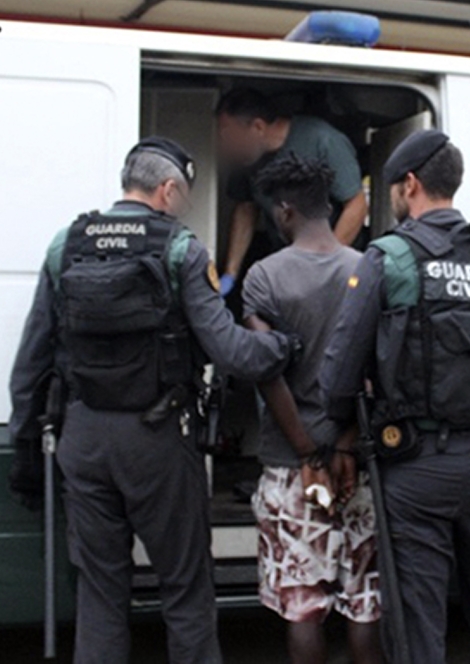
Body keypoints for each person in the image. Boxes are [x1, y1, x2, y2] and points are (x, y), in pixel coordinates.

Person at [6, 137, 299, 664]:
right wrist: (283, 344)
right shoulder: (180, 248)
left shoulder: (66, 244)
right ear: (167, 189)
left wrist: (27, 449)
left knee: (100, 593)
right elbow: (230, 352)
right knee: (185, 588)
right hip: (157, 441)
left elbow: (29, 364)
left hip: (82, 438)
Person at [320, 129, 470, 663]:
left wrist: (336, 428)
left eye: (392, 184)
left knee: (418, 624)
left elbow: (339, 373)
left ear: (409, 184)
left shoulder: (389, 257)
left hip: (416, 466)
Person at [241, 153, 379, 664]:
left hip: (290, 466)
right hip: (358, 463)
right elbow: (373, 370)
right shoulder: (366, 269)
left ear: (283, 211)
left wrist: (308, 453)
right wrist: (342, 442)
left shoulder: (264, 277)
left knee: (303, 607)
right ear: (327, 205)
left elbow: (267, 373)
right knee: (365, 605)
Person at [216, 87, 368, 296]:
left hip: (335, 268)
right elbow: (246, 209)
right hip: (286, 264)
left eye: (229, 136)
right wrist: (230, 274)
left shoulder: (322, 140)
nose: (226, 146)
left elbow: (357, 204)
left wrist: (325, 263)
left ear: (258, 127)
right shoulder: (246, 159)